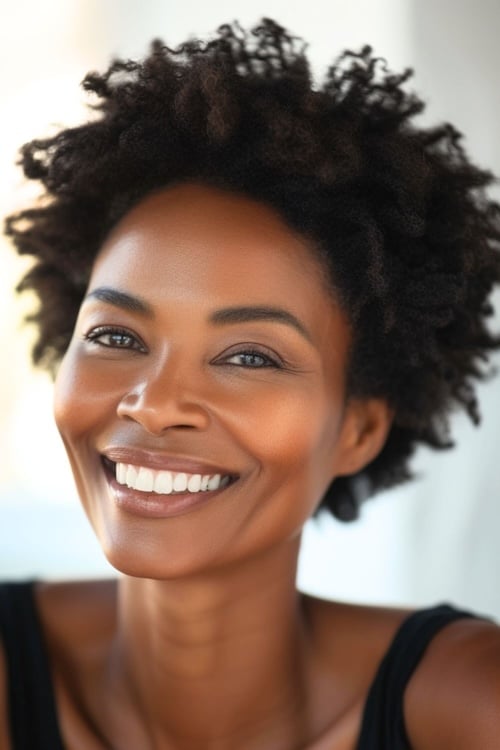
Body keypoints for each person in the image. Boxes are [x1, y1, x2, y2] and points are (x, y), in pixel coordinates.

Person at [2, 18, 500, 750]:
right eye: (115, 336)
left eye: (250, 357)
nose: (155, 402)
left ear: (359, 428)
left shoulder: (470, 708)